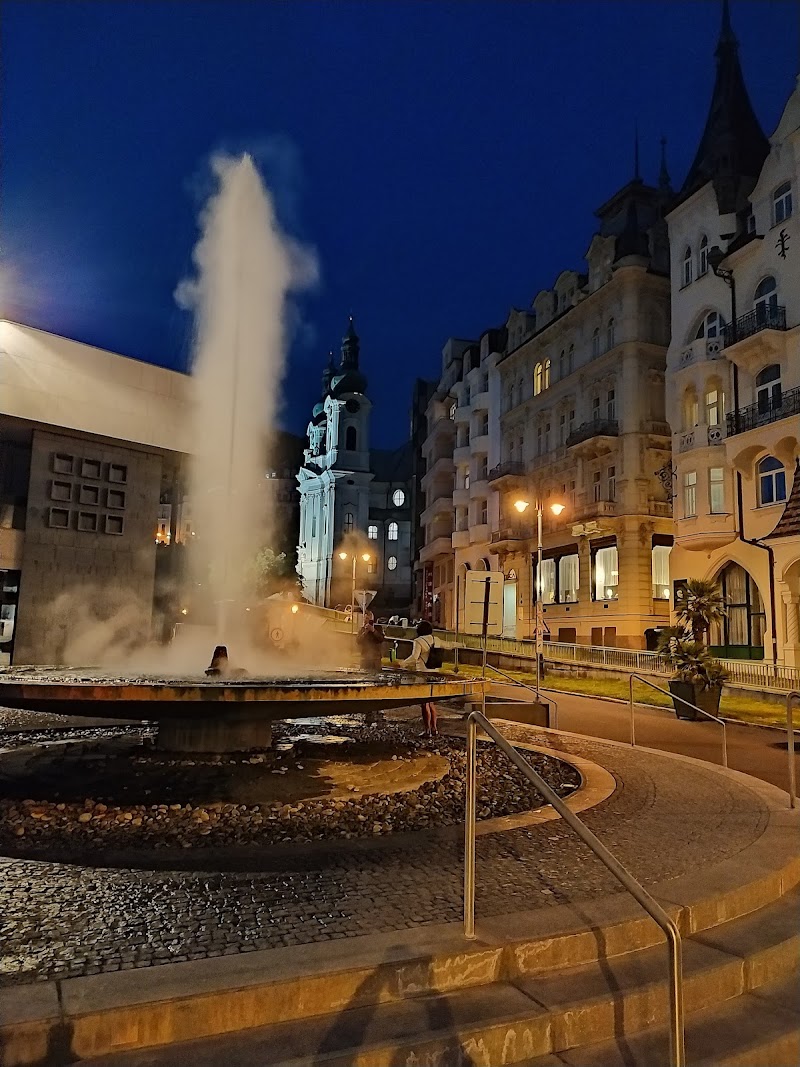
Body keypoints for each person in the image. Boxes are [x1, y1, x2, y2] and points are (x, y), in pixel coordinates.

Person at [396, 620, 441, 736]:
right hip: (434, 673)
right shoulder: (435, 639)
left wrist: (403, 663)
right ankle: (434, 728)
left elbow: (414, 657)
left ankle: (427, 730)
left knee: (424, 703)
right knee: (431, 702)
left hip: (423, 674)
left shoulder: (418, 641)